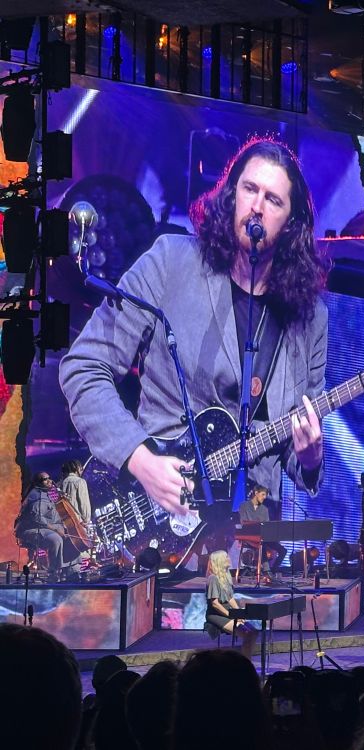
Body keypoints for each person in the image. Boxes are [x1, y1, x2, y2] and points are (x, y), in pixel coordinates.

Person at [60, 137, 329, 523]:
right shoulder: (171, 262)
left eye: (273, 200)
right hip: (159, 516)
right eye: (249, 189)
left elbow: (292, 444)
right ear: (231, 194)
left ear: (292, 223)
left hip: (252, 536)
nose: (256, 205)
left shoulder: (309, 317)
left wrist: (310, 456)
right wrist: (139, 458)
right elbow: (83, 367)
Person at [203, 549, 257, 658]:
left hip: (229, 612)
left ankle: (246, 658)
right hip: (216, 614)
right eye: (226, 557)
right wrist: (232, 615)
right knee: (247, 634)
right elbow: (215, 604)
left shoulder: (226, 577)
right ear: (220, 561)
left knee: (254, 632)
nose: (229, 559)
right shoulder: (213, 578)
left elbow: (230, 598)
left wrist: (239, 613)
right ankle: (245, 661)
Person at [14, 472, 68, 580]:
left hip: (44, 529)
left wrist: (62, 527)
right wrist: (56, 530)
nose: (49, 481)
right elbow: (37, 519)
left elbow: (54, 517)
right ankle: (53, 573)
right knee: (55, 539)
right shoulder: (35, 495)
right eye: (45, 479)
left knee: (65, 538)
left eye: (49, 478)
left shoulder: (47, 496)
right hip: (30, 530)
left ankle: (64, 571)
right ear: (38, 483)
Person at [237, 483, 286, 576]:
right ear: (256, 493)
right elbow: (244, 522)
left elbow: (266, 525)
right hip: (249, 536)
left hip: (262, 536)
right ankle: (267, 571)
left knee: (283, 550)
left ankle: (273, 571)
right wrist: (258, 525)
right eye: (263, 495)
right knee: (261, 544)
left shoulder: (264, 509)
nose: (264, 497)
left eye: (265, 495)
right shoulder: (244, 506)